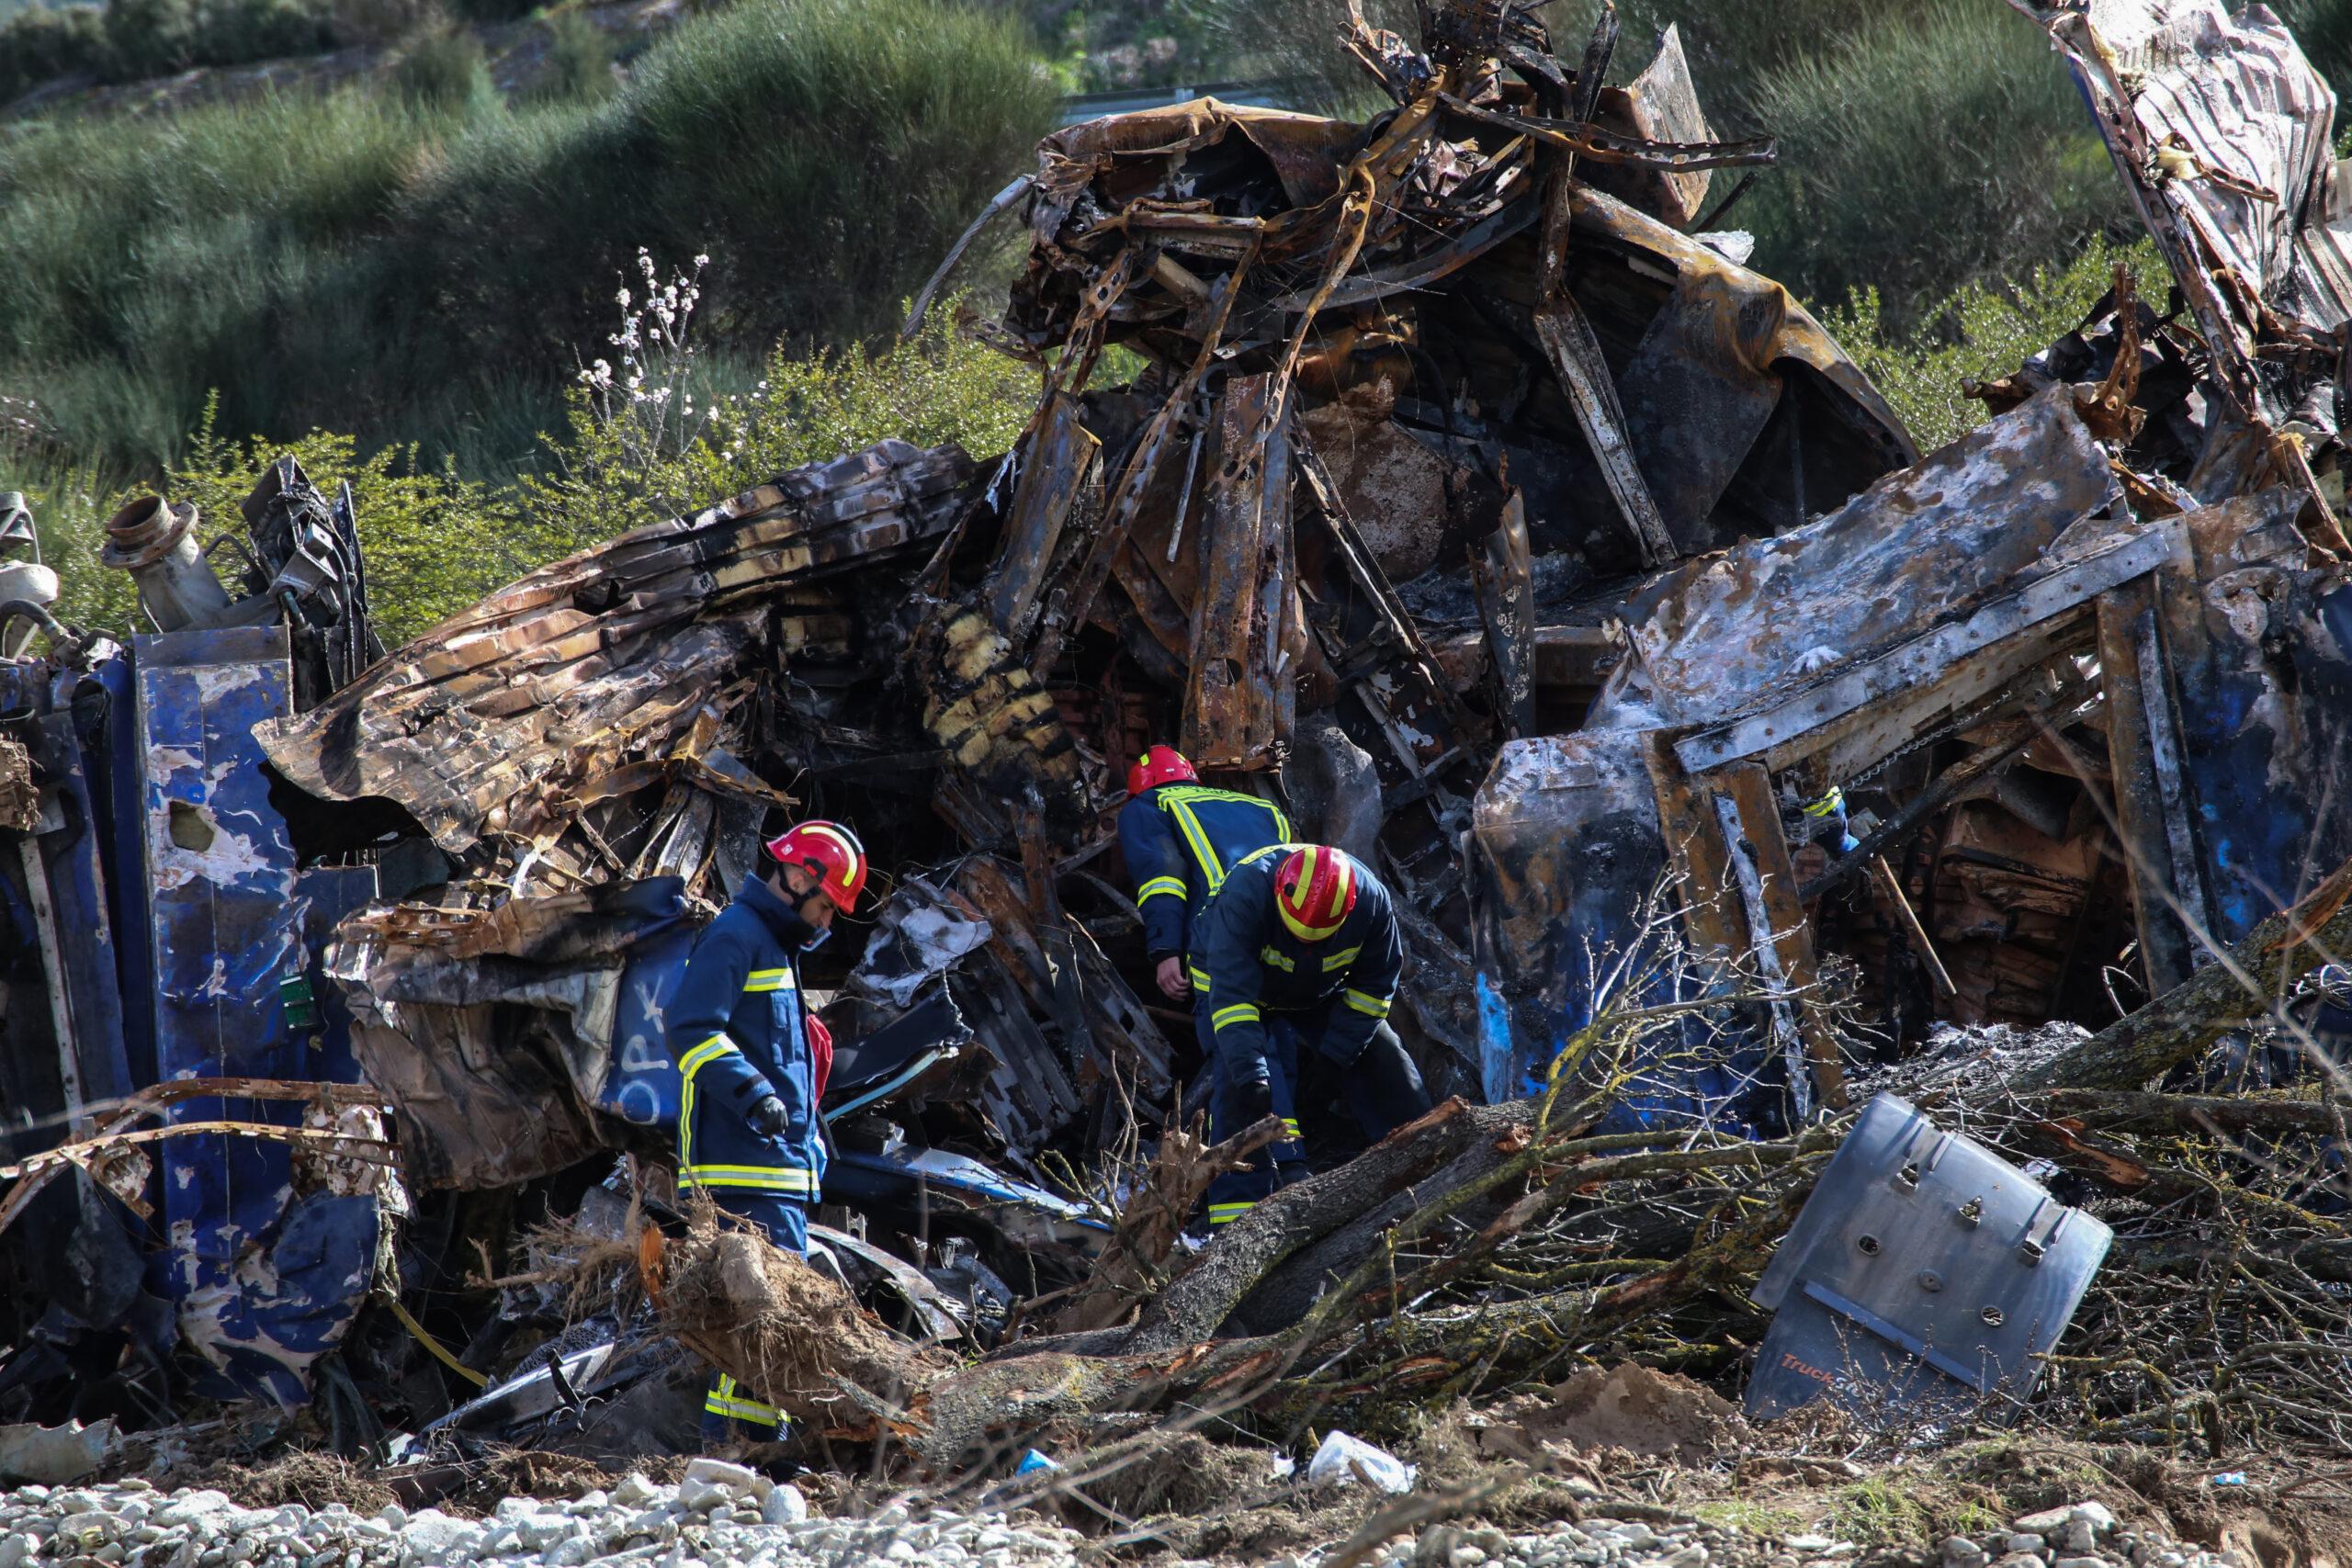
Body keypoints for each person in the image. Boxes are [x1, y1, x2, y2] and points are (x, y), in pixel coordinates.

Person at [667, 818, 864, 1442]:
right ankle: (748, 1451)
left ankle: (748, 1451)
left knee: (765, 1321)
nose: (827, 923)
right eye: (826, 906)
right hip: (741, 1171)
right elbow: (690, 1029)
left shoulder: (773, 946)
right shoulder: (736, 935)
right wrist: (753, 1095)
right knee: (764, 1320)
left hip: (773, 1171)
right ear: (800, 875)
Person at [1191, 842, 1432, 1226]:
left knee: (1387, 1060)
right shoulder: (1246, 893)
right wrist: (1251, 1074)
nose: (1305, 943)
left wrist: (1337, 1055)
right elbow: (1233, 1000)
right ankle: (1238, 1218)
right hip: (1231, 989)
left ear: (1348, 907)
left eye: (1317, 938)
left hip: (1317, 990)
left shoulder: (1372, 902)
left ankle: (1430, 1160)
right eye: (1297, 934)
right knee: (1239, 1085)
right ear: (1279, 894)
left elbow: (1373, 989)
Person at [1115, 746, 1307, 1199]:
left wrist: (1164, 952)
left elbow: (1162, 878)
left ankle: (1260, 1181)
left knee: (1236, 1051)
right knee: (1277, 1043)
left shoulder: (1149, 807)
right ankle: (1293, 1159)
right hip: (1289, 938)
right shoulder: (1261, 807)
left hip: (1223, 942)